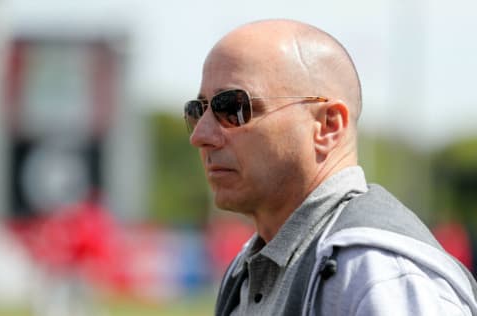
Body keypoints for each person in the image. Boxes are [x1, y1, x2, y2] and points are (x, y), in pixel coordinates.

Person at [184, 19, 477, 316]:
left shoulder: (378, 275)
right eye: (198, 110)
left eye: (232, 108)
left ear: (327, 126)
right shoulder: (247, 269)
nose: (200, 136)